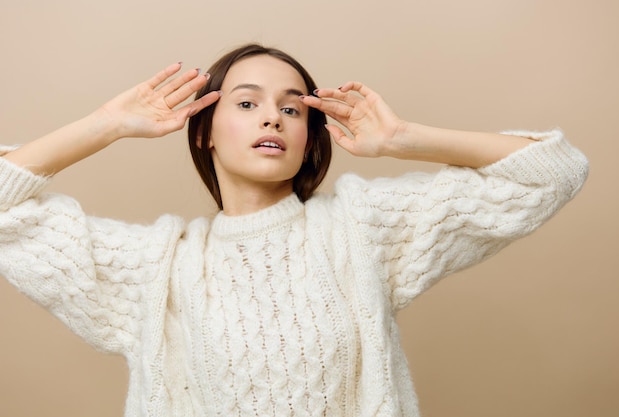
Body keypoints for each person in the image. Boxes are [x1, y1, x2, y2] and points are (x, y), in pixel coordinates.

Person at [0, 43, 588, 416]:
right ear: (203, 130)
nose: (272, 117)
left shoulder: (360, 231)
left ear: (309, 135)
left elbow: (552, 173)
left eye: (292, 107)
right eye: (247, 103)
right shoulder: (159, 269)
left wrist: (405, 139)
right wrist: (104, 126)